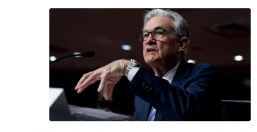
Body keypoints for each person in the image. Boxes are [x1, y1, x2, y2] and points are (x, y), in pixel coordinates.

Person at [75, 9, 221, 121]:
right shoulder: (142, 90)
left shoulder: (205, 73)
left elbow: (189, 112)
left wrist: (128, 68)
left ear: (181, 44)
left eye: (159, 32)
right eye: (146, 35)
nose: (149, 40)